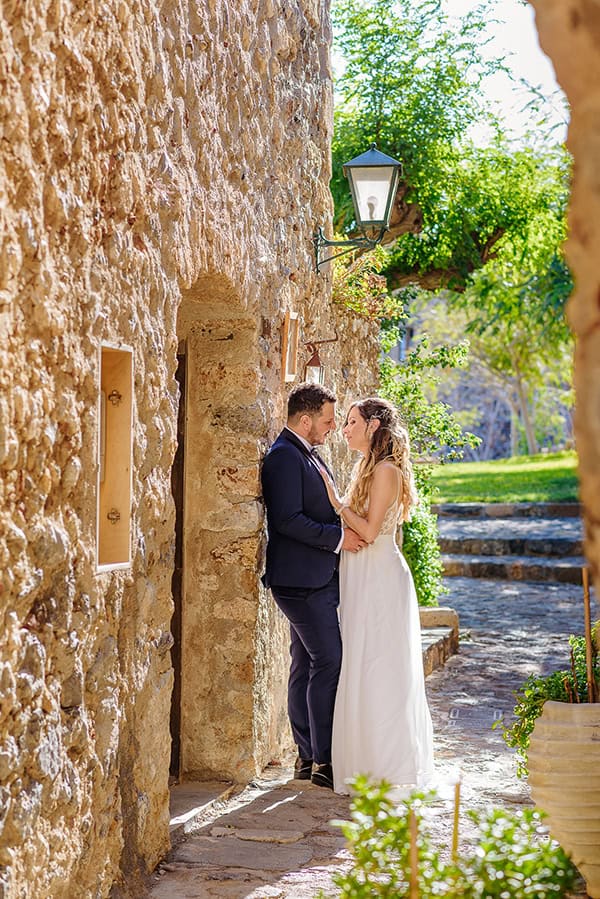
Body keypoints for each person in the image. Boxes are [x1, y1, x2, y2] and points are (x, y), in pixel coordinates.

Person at [318, 397, 434, 795]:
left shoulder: (386, 471)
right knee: (361, 661)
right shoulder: (365, 468)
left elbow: (368, 532)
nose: (345, 429)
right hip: (362, 573)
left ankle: (385, 766)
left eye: (351, 422)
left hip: (381, 576)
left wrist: (337, 504)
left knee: (378, 667)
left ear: (373, 426)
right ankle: (362, 763)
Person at [261, 383, 366, 790]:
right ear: (304, 420)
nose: (330, 428)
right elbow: (286, 520)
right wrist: (339, 538)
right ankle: (323, 759)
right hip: (299, 581)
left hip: (313, 577)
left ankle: (307, 758)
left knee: (305, 664)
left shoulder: (306, 454)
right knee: (329, 661)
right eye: (325, 421)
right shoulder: (285, 457)